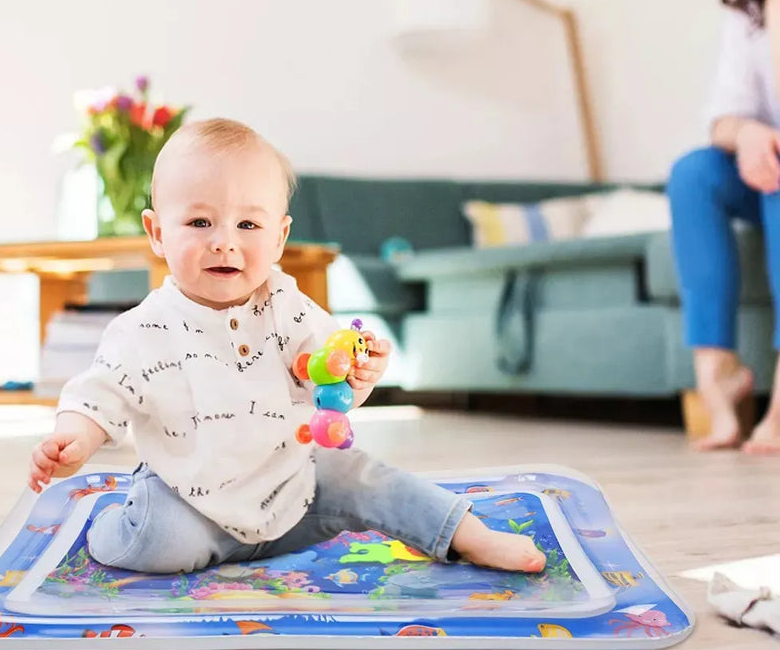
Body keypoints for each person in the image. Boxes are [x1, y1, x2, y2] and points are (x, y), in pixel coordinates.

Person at [28, 118, 547, 574]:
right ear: (157, 232)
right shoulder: (142, 329)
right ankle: (115, 524)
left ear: (278, 238)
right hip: (193, 502)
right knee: (156, 542)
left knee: (368, 478)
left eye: (248, 224)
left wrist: (357, 373)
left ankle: (469, 537)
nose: (224, 241)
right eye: (199, 222)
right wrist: (74, 438)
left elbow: (329, 381)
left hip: (294, 490)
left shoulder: (286, 304)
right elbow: (98, 396)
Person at [668, 0, 780, 454]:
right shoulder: (744, 13)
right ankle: (718, 375)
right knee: (693, 173)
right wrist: (753, 132)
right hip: (763, 167)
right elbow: (723, 117)